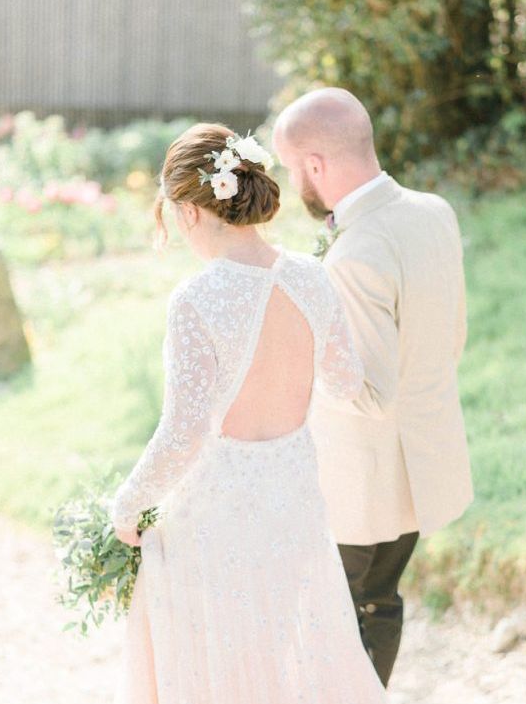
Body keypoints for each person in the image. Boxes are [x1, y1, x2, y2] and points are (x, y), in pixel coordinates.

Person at [110, 123, 388, 704]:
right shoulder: (311, 276)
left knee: (222, 661)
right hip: (293, 499)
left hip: (218, 512)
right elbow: (345, 382)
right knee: (286, 648)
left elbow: (184, 431)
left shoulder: (197, 299)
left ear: (190, 211)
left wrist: (129, 503)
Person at [273, 87, 474, 687]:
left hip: (360, 487)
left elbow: (370, 391)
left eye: (291, 168)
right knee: (379, 604)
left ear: (315, 165)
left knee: (331, 621)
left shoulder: (356, 254)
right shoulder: (433, 212)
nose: (293, 182)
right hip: (422, 467)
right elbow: (452, 336)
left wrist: (299, 358)